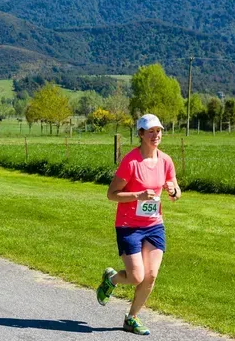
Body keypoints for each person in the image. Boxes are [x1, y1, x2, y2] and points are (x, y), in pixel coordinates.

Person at [96, 114, 181, 336]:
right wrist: (138, 195)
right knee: (136, 276)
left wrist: (174, 192)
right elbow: (111, 194)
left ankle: (131, 317)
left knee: (150, 275)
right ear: (141, 134)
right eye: (151, 131)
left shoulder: (165, 161)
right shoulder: (131, 162)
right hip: (128, 226)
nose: (156, 135)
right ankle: (112, 278)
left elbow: (174, 189)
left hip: (154, 225)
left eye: (159, 131)